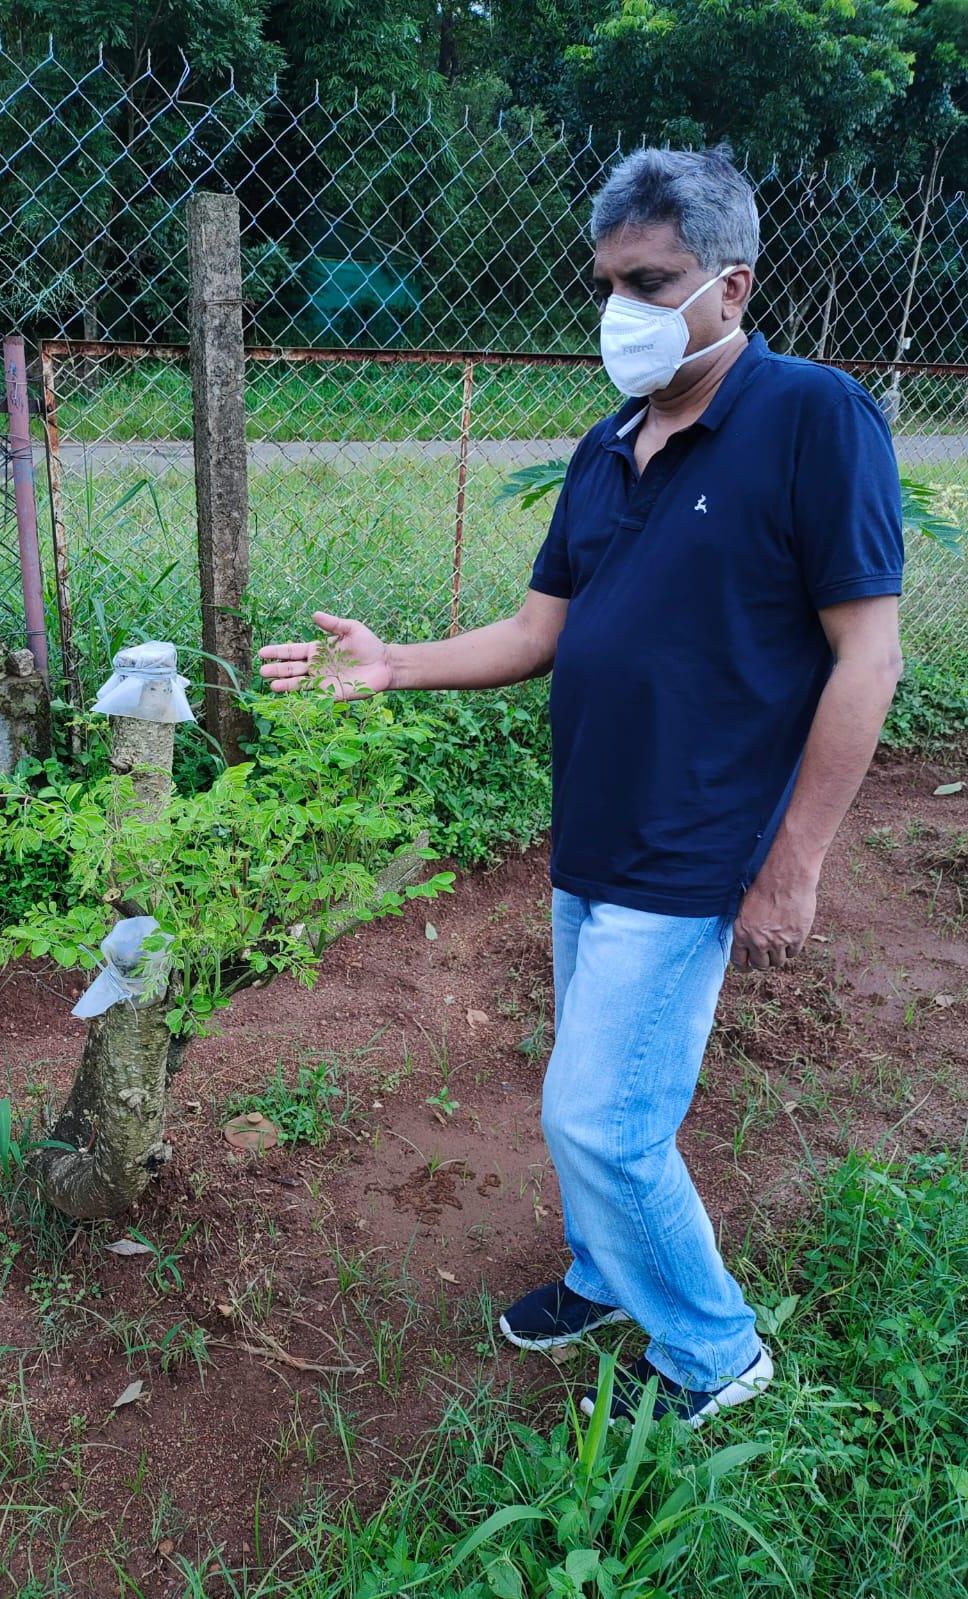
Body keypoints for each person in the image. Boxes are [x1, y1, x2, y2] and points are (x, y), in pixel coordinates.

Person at [257, 146, 904, 1430]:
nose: (622, 310)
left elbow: (866, 651)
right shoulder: (608, 445)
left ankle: (718, 1353)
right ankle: (612, 1274)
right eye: (608, 282)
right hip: (597, 832)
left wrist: (796, 860)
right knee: (593, 1096)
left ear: (732, 284)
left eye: (651, 281)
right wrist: (395, 666)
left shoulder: (813, 416)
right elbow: (538, 631)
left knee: (602, 1119)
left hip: (700, 840)